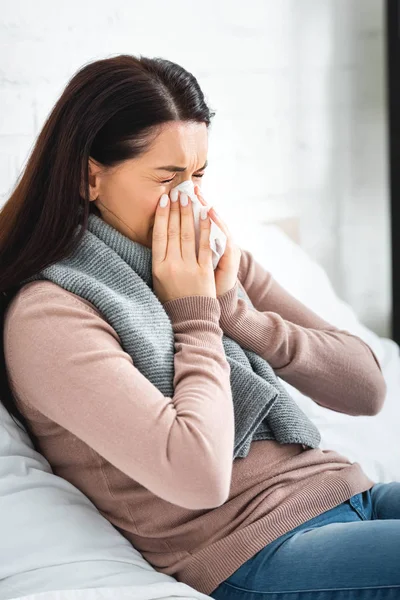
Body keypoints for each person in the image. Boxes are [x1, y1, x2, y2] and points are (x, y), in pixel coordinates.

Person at [0, 54, 398, 600]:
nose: (190, 199)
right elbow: (198, 476)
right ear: (89, 176)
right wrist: (196, 316)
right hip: (255, 549)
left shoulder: (210, 257)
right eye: (167, 178)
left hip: (348, 492)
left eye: (199, 175)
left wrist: (240, 315)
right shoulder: (51, 314)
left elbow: (368, 389)